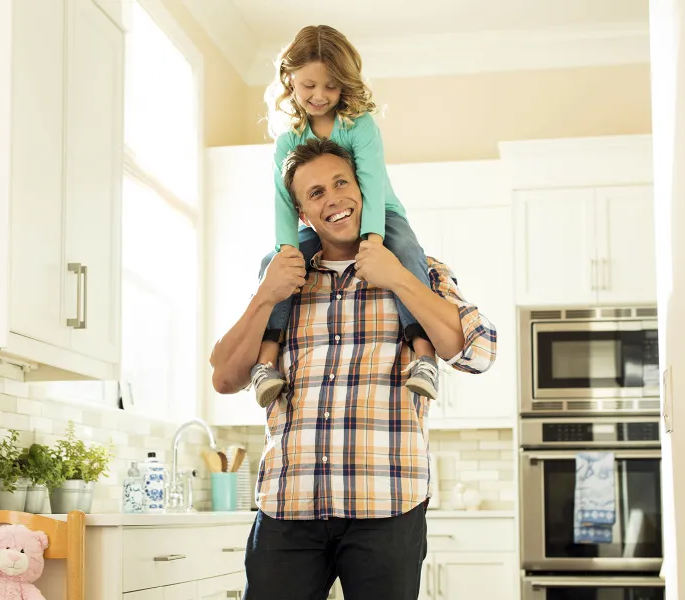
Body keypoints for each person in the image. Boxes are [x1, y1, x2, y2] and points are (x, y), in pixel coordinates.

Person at [210, 139, 497, 600]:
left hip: (387, 505)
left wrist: (398, 277)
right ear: (302, 213)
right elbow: (224, 378)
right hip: (289, 506)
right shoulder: (284, 278)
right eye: (316, 193)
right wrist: (265, 295)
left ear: (364, 189)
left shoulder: (417, 267)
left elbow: (479, 351)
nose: (334, 199)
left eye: (341, 182)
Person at [250, 25, 440, 408]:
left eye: (331, 86)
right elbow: (284, 201)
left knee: (403, 249)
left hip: (379, 213)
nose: (319, 96)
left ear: (345, 85)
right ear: (289, 80)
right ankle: (266, 362)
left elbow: (369, 184)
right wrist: (287, 249)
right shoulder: (288, 139)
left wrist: (372, 243)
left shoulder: (359, 126)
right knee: (274, 264)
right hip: (321, 227)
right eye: (308, 86)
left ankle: (424, 355)